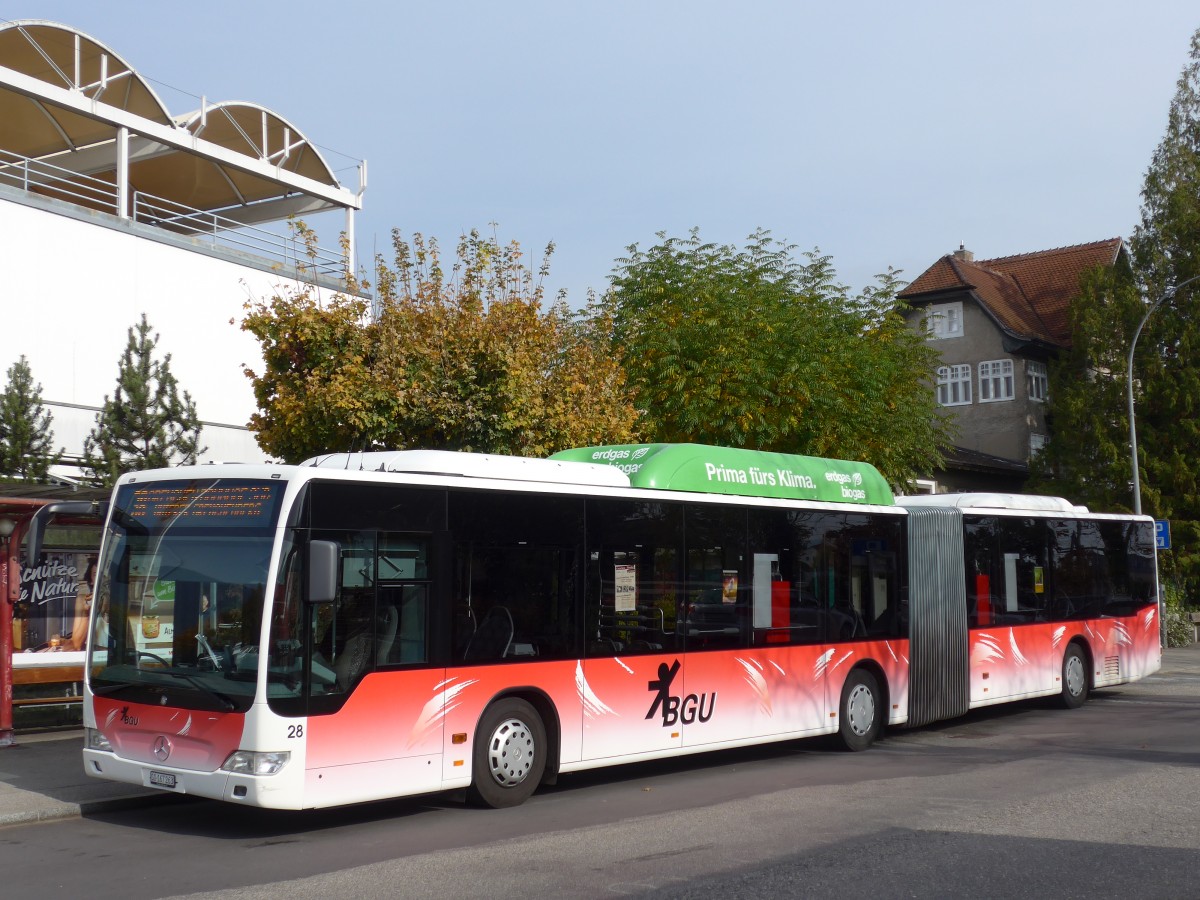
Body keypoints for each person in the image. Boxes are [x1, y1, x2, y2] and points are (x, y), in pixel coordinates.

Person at [68, 560, 97, 651]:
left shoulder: (118, 600)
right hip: (92, 656)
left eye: (105, 575)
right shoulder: (83, 600)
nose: (101, 578)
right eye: (96, 574)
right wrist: (86, 614)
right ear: (91, 581)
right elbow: (77, 644)